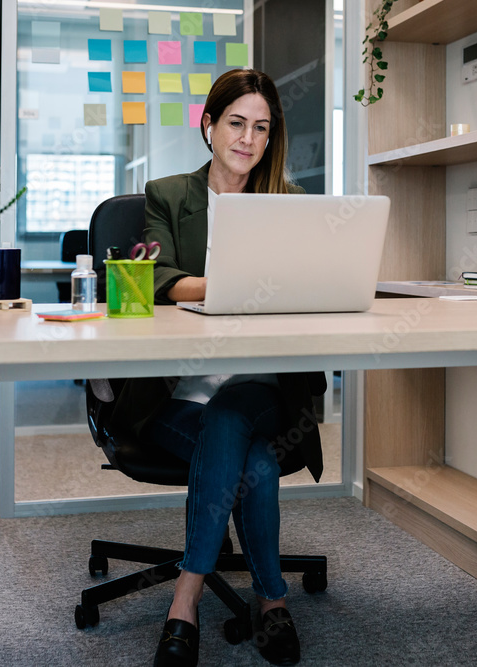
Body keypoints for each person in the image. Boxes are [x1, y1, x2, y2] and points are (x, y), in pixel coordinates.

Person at [140, 69, 326, 667]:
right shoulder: (168, 195)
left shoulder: (288, 206)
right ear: (209, 126)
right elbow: (160, 280)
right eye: (237, 123)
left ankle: (184, 602)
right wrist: (236, 284)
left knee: (235, 412)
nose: (248, 139)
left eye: (261, 128)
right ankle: (272, 600)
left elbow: (308, 290)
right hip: (179, 395)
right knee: (257, 462)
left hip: (264, 389)